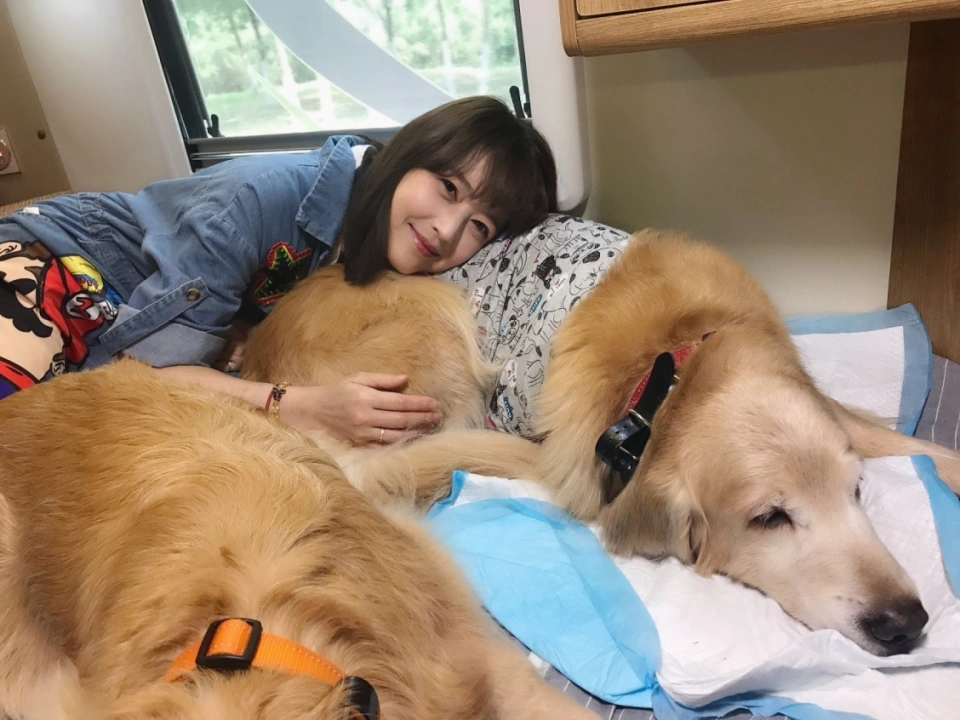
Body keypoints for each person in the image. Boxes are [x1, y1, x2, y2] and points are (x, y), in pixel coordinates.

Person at [0, 96, 558, 445]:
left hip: (121, 316)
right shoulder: (256, 202)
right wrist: (304, 404)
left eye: (479, 225)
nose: (447, 231)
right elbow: (139, 379)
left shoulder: (367, 240)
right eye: (448, 187)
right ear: (406, 155)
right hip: (52, 257)